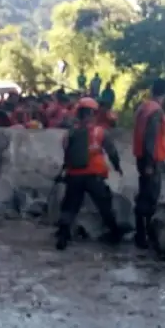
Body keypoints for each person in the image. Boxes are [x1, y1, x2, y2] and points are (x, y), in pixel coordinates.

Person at [56, 98, 126, 250]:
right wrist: (117, 167)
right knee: (104, 204)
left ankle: (62, 234)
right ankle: (114, 233)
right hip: (94, 175)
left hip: (74, 175)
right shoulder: (100, 132)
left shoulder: (70, 133)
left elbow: (66, 153)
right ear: (93, 113)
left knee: (70, 206)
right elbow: (112, 151)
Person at [132, 78, 165, 250]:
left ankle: (141, 232)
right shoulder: (156, 112)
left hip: (142, 157)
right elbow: (151, 138)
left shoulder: (143, 108)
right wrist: (150, 163)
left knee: (144, 193)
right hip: (151, 160)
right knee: (150, 196)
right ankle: (144, 235)